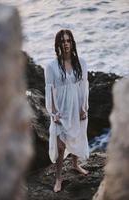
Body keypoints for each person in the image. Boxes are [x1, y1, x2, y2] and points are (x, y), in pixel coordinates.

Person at [44, 29, 89, 192]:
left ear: (72, 43)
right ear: (58, 44)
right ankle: (58, 177)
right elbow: (50, 90)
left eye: (68, 40)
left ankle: (76, 164)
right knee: (61, 146)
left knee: (77, 135)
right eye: (62, 41)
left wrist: (83, 108)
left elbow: (84, 86)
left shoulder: (81, 63)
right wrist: (54, 112)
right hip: (61, 110)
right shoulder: (51, 66)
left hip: (77, 107)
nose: (66, 44)